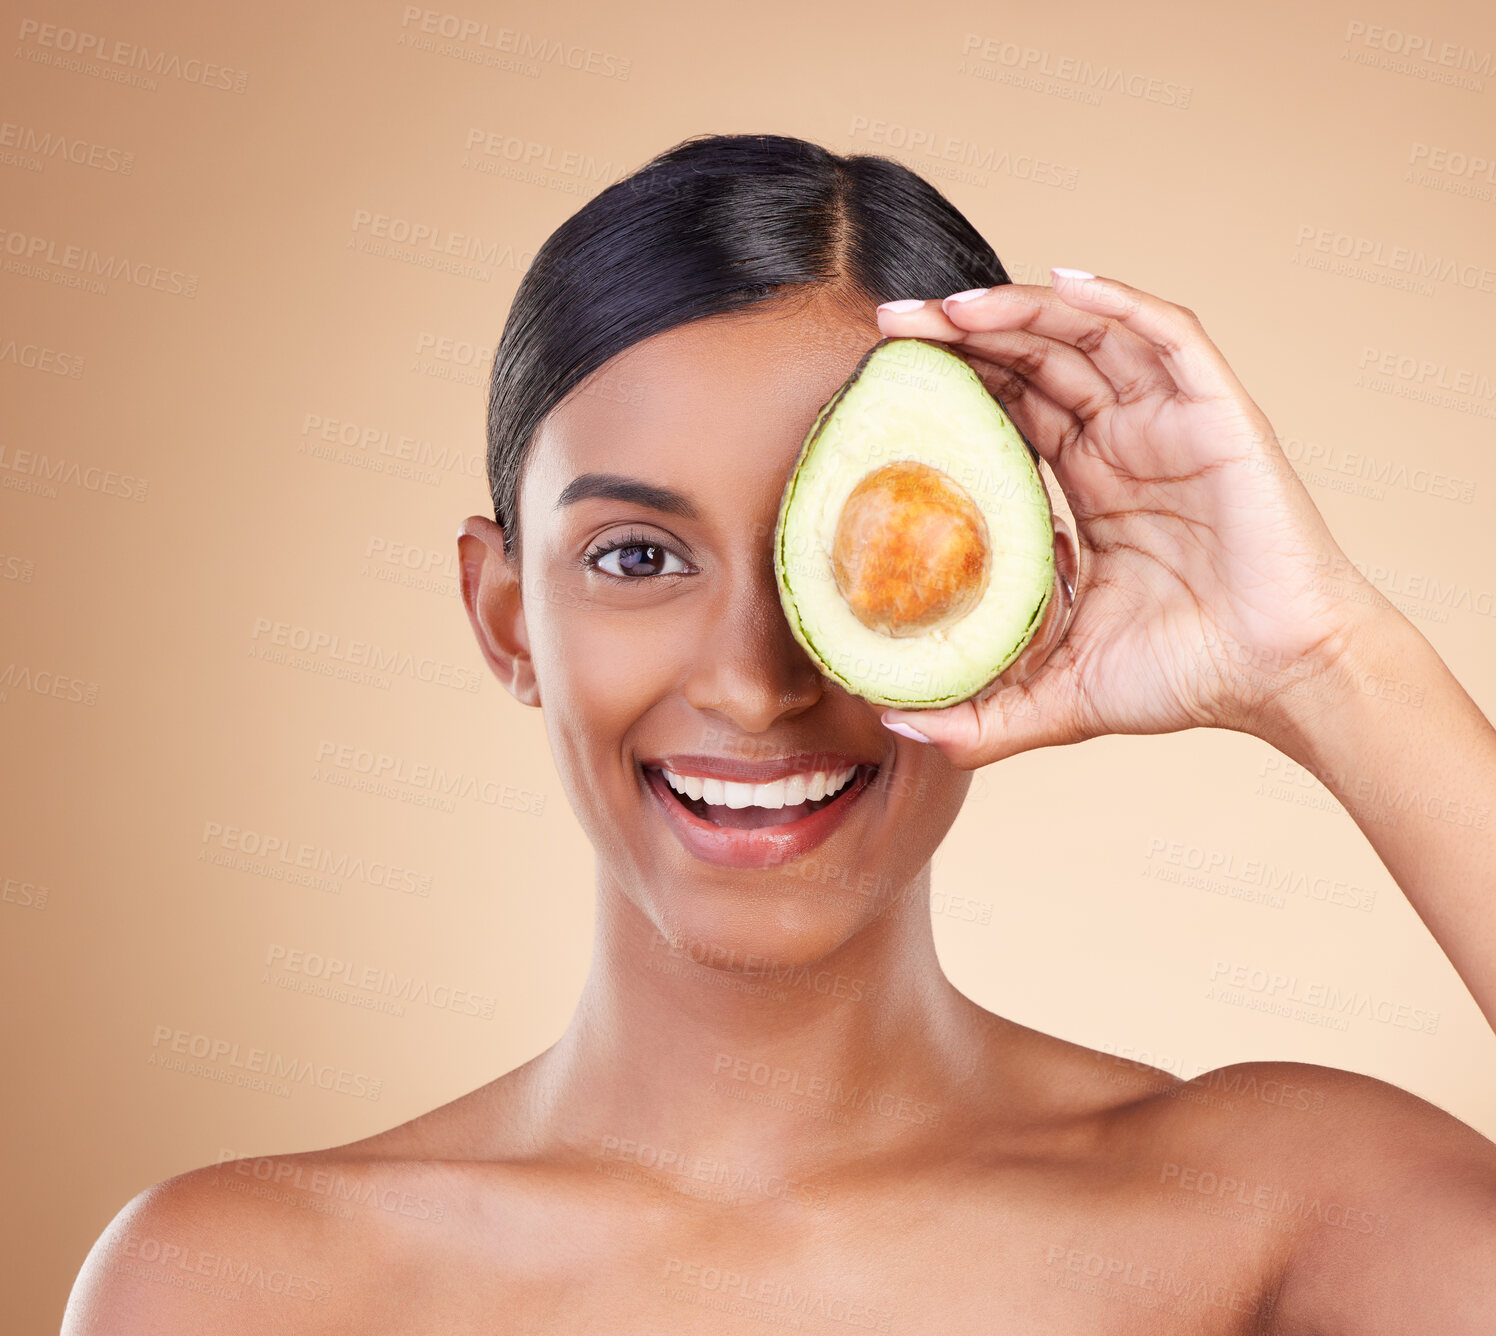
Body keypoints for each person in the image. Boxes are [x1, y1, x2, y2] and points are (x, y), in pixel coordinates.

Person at [63, 132, 1496, 1332]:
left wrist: (1323, 661)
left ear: (1033, 598)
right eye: (637, 557)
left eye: (878, 560)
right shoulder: (248, 1280)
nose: (755, 684)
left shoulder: (1283, 1215)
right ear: (505, 618)